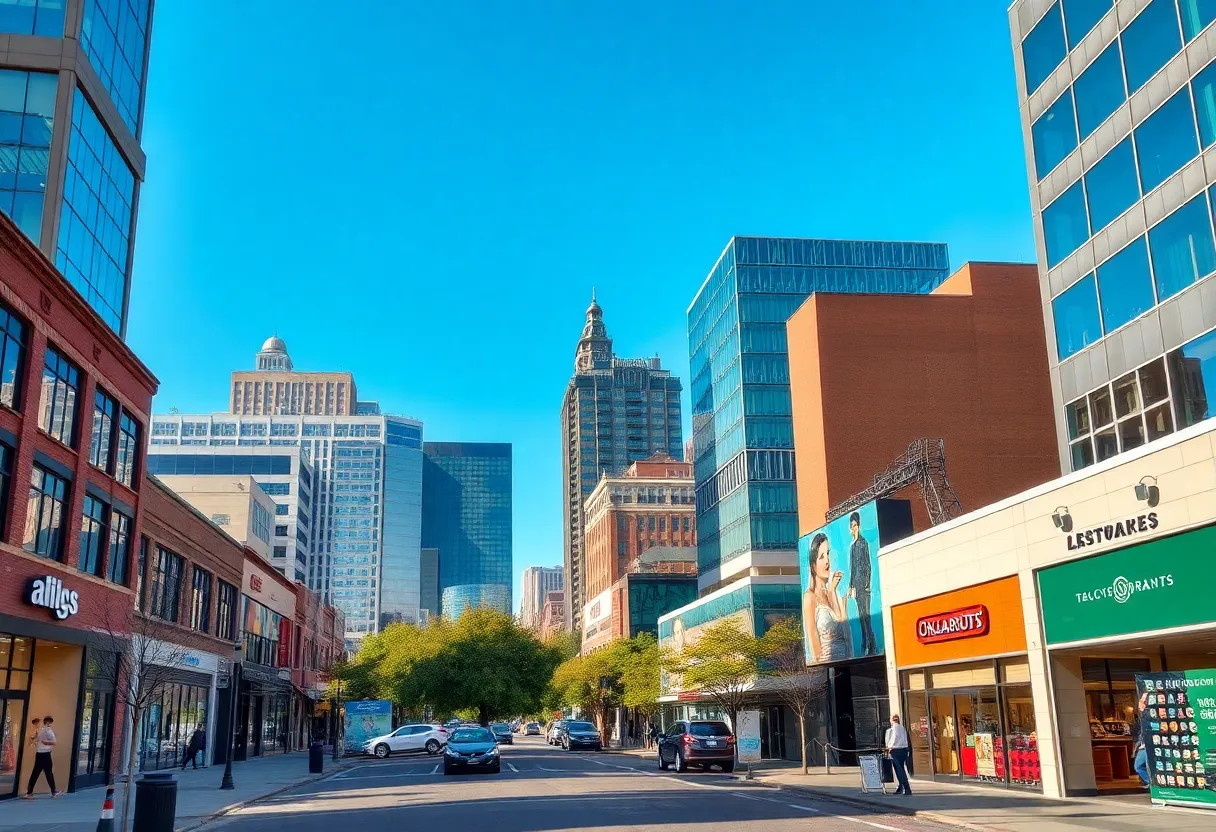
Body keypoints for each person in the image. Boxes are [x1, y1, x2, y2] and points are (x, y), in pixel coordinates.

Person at [802, 533, 852, 663]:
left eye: (828, 554)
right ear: (813, 565)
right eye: (821, 557)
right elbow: (813, 640)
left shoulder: (833, 592)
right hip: (827, 667)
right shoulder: (809, 597)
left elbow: (844, 631)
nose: (827, 562)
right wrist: (823, 669)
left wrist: (832, 591)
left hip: (847, 664)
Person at [847, 512, 877, 656]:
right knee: (860, 617)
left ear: (858, 526)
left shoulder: (863, 543)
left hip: (864, 586)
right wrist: (850, 586)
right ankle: (864, 643)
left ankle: (872, 645)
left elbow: (868, 565)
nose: (853, 529)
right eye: (851, 526)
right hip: (856, 587)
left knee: (866, 617)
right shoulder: (852, 546)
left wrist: (866, 583)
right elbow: (852, 568)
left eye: (855, 525)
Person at [25, 715, 61, 798]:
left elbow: (33, 739)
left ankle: (29, 793)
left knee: (35, 773)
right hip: (46, 754)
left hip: (39, 754)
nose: (50, 724)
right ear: (47, 722)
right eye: (50, 722)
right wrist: (46, 742)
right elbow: (54, 742)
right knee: (48, 773)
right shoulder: (48, 731)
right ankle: (54, 791)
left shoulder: (39, 731)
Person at [885, 714, 912, 796]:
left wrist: (889, 747)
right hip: (903, 749)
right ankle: (901, 787)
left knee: (900, 770)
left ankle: (907, 788)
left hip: (896, 750)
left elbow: (894, 738)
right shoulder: (902, 727)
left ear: (892, 720)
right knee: (899, 769)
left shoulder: (895, 728)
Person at [1133, 692, 1150, 787]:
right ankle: (1149, 782)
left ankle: (1151, 784)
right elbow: (1137, 733)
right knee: (1138, 766)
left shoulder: (1150, 715)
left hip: (1150, 745)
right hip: (1142, 746)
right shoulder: (1140, 718)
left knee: (1150, 766)